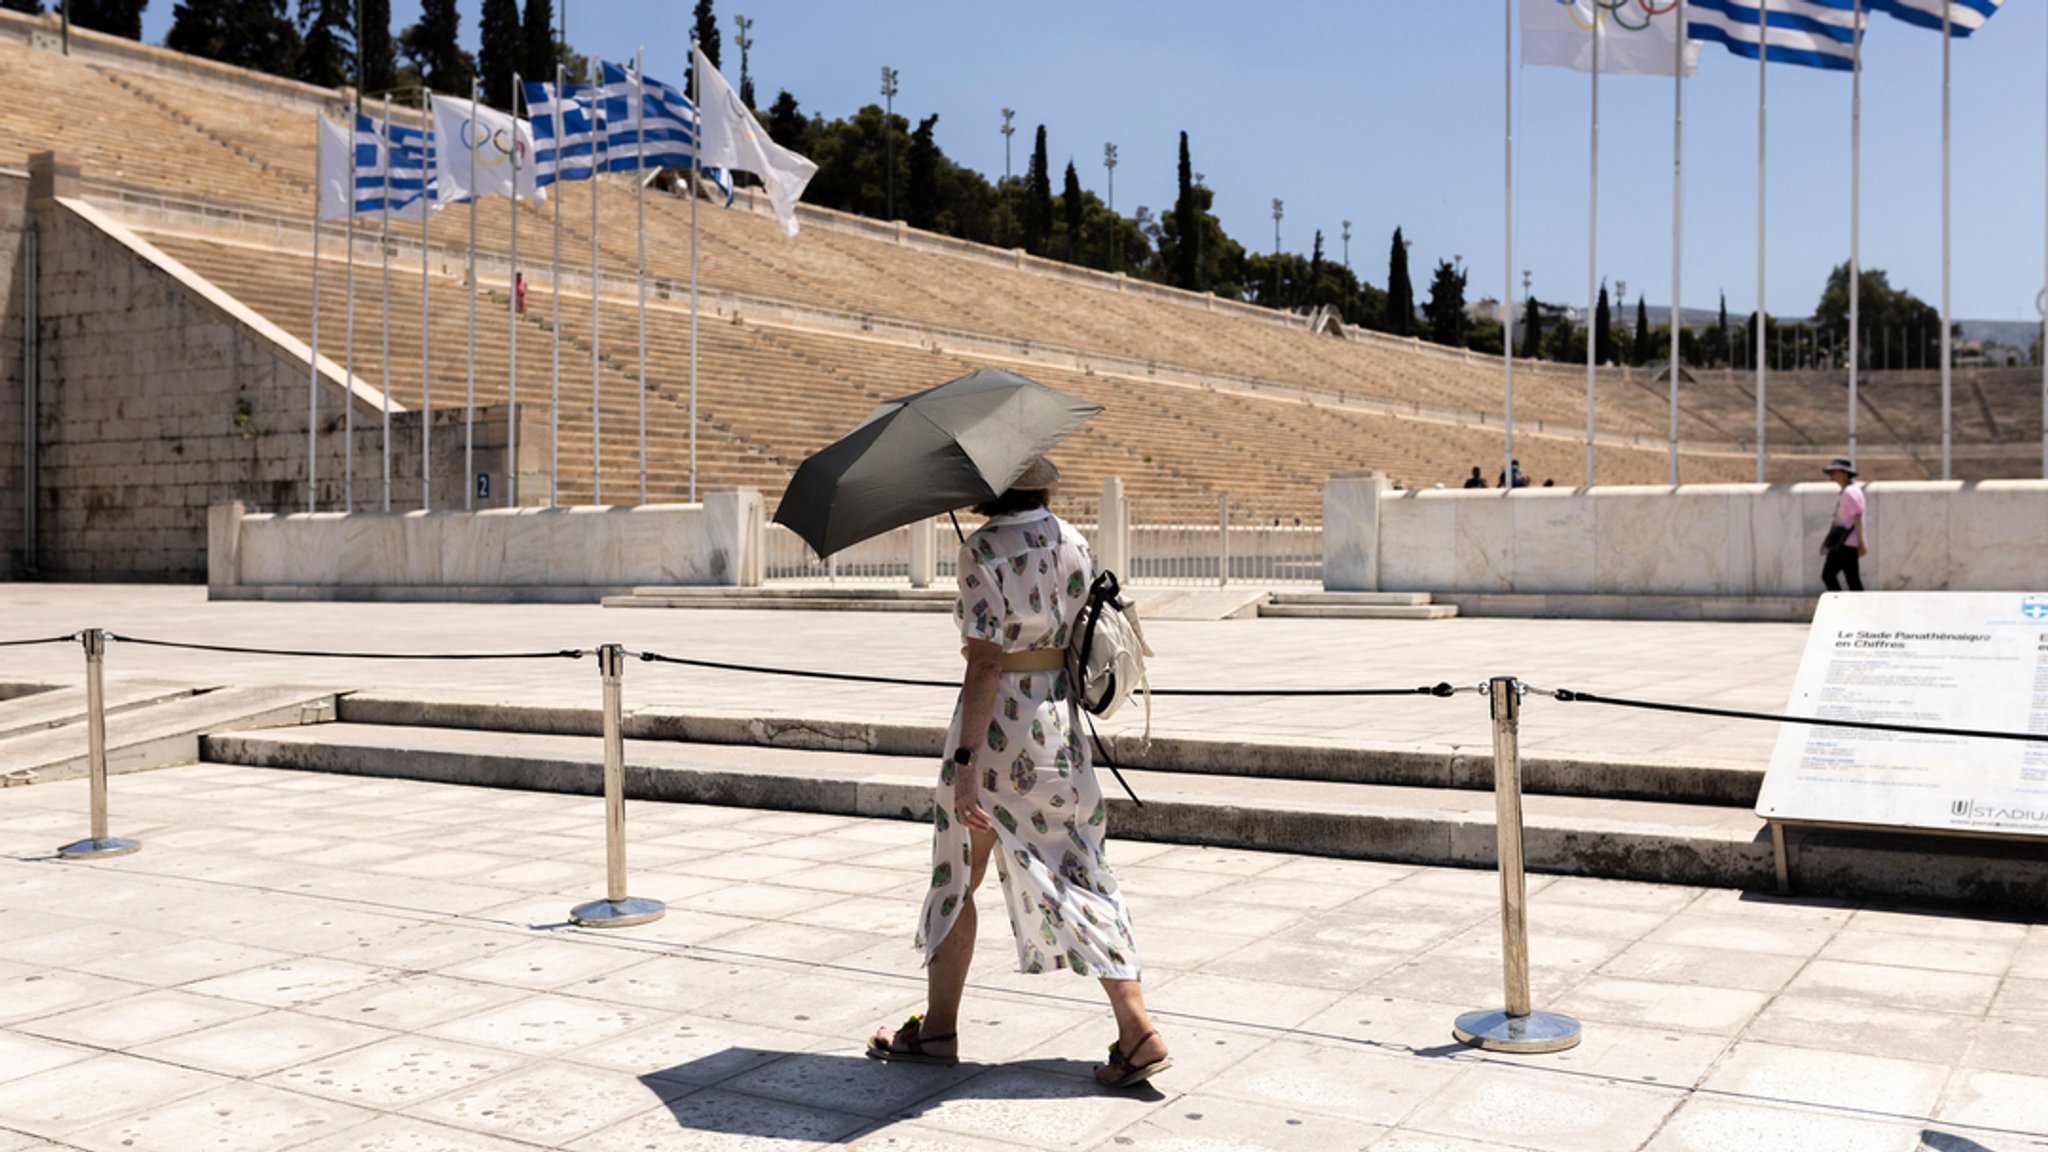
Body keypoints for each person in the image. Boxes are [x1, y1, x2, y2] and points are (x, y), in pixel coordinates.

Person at [868, 457, 1169, 1089]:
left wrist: (966, 764)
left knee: (958, 874)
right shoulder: (1074, 539)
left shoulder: (983, 550)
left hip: (999, 734)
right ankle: (1136, 1025)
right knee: (1084, 871)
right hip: (1060, 729)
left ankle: (939, 1031)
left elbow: (984, 665)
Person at [1821, 458, 1866, 592]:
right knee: (1853, 581)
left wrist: (1861, 543)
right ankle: (1858, 609)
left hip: (1845, 544)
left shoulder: (1849, 492)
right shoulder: (1850, 491)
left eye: (1834, 472)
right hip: (1847, 543)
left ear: (1844, 473)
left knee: (1828, 575)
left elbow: (1857, 517)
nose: (1832, 476)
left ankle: (1841, 605)